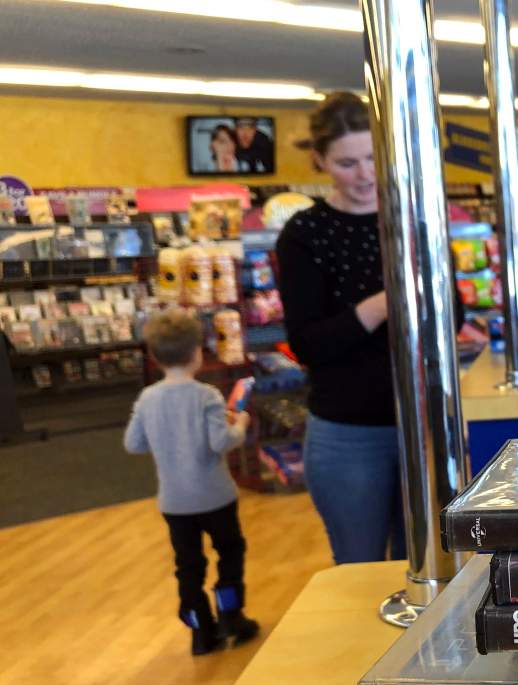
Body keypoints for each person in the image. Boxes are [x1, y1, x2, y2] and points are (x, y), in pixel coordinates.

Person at [275, 91, 406, 564]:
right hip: (348, 434)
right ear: (319, 160)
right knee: (361, 574)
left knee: (431, 578)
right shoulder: (305, 234)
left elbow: (451, 313)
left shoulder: (410, 219)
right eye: (348, 162)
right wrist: (380, 306)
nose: (366, 175)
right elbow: (307, 343)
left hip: (423, 427)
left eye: (374, 158)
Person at [123, 308, 259, 655]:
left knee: (188, 566)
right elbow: (221, 442)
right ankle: (231, 615)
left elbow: (133, 443)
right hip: (215, 496)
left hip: (174, 502)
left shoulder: (147, 399)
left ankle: (200, 632)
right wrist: (239, 424)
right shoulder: (207, 396)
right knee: (229, 553)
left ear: (154, 356)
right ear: (197, 352)